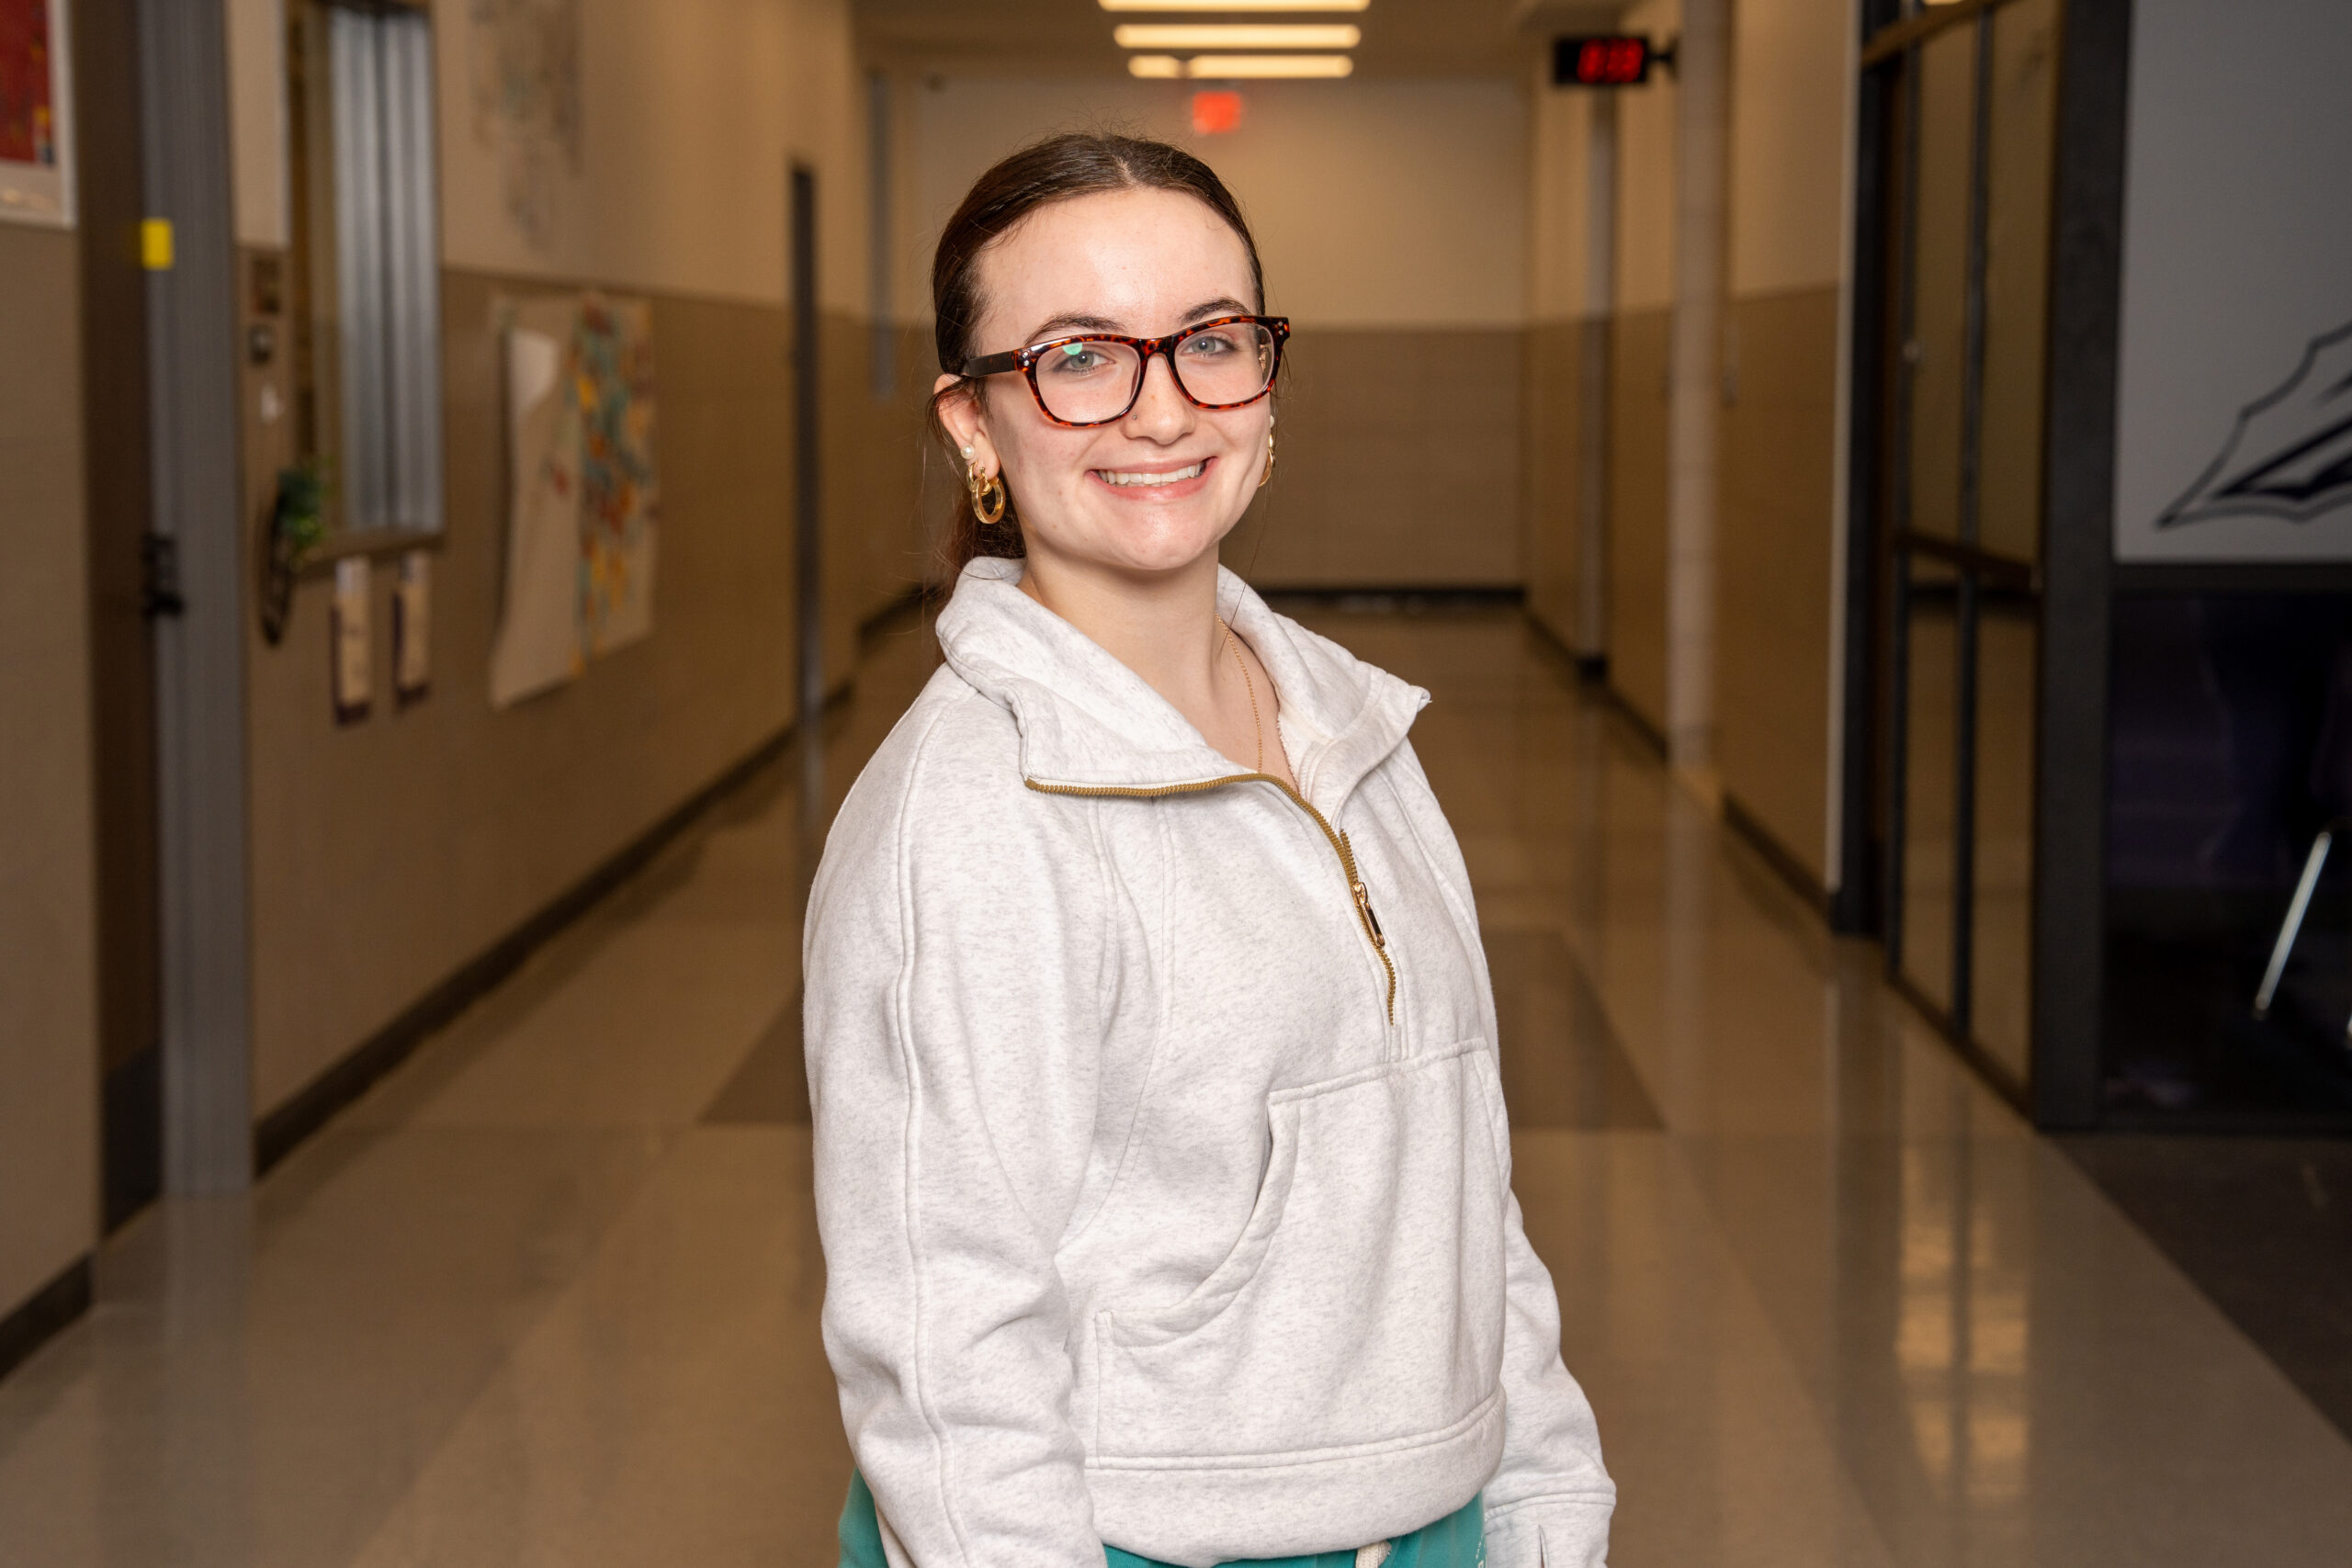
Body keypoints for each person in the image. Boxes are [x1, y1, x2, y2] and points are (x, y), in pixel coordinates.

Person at [804, 132, 1614, 1568]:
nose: (1162, 409)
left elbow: (1452, 1169)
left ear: (1266, 379)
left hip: (1433, 1516)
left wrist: (1544, 1492)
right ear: (974, 423)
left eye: (1212, 342)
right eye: (1077, 356)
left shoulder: (1352, 729)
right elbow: (950, 1352)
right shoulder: (978, 815)